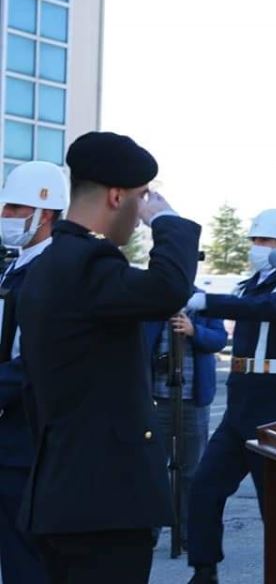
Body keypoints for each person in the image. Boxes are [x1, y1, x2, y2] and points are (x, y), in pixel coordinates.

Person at [16, 132, 201, 583]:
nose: (141, 216)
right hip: (101, 504)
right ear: (117, 196)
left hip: (70, 494)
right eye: (141, 199)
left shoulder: (52, 264)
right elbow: (167, 288)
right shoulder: (87, 265)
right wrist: (168, 221)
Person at [185, 208, 276, 584]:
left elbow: (266, 310)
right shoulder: (246, 285)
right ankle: (204, 570)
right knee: (206, 485)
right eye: (255, 240)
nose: (257, 247)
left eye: (266, 241)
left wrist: (209, 302)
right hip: (242, 399)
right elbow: (247, 302)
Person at [0, 161, 69, 584]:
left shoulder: (52, 270)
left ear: (45, 214)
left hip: (32, 434)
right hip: (12, 433)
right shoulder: (18, 265)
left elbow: (39, 360)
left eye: (14, 208)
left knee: (28, 558)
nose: (5, 216)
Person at [143, 294, 227, 545]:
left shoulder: (203, 303)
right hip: (158, 399)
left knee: (191, 470)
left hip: (193, 400)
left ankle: (187, 534)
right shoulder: (155, 300)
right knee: (154, 468)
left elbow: (219, 339)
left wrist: (194, 330)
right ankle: (149, 531)